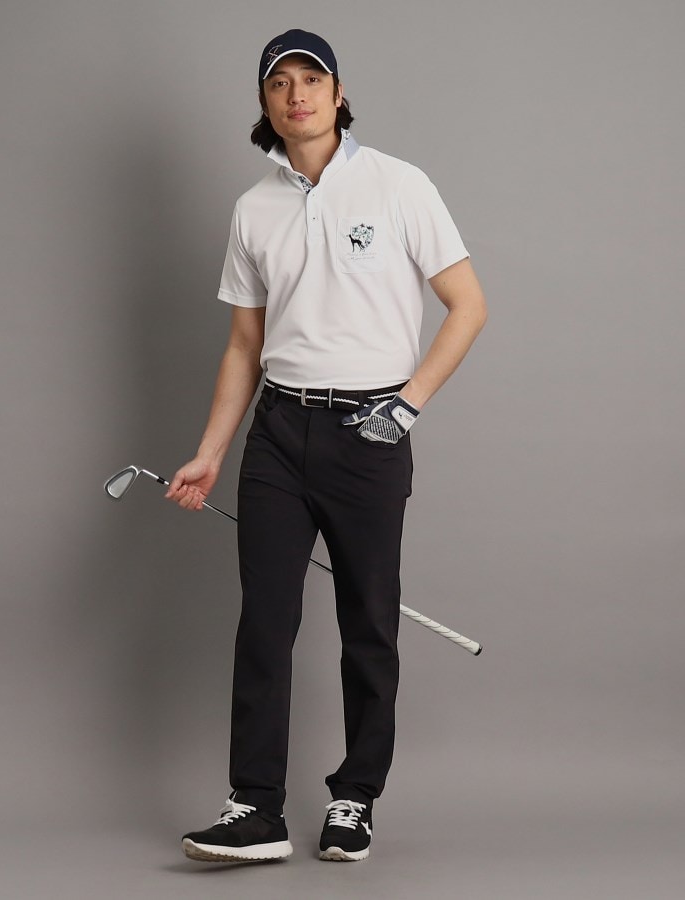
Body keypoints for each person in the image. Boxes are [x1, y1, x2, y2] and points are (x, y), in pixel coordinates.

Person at [168, 29, 487, 863]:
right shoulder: (254, 208)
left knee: (367, 624)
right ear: (265, 102)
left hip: (369, 431)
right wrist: (210, 451)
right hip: (278, 432)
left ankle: (355, 799)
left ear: (339, 94)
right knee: (264, 623)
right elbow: (245, 344)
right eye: (279, 82)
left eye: (312, 79)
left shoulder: (398, 184)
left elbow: (468, 305)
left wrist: (407, 407)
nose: (297, 94)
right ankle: (256, 807)